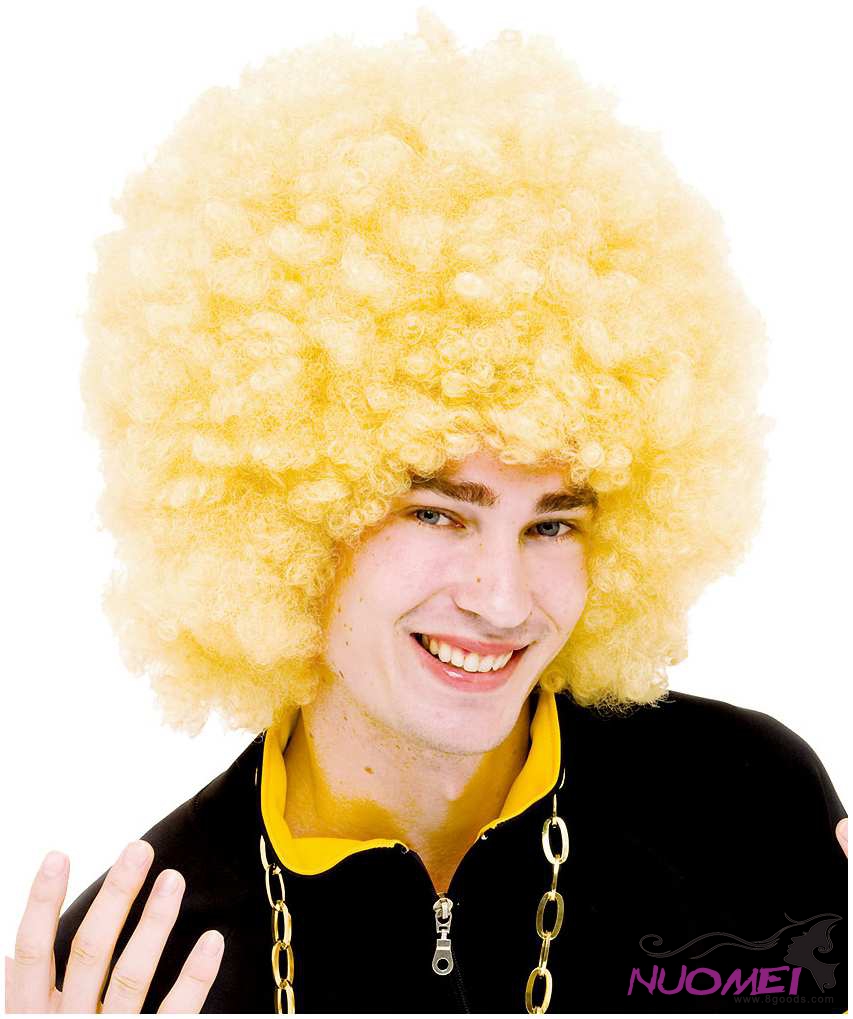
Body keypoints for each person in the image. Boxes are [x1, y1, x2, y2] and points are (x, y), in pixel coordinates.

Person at [5, 11, 847, 1015]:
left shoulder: (748, 804)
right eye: (439, 514)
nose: (502, 600)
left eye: (552, 523)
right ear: (286, 516)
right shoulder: (138, 964)